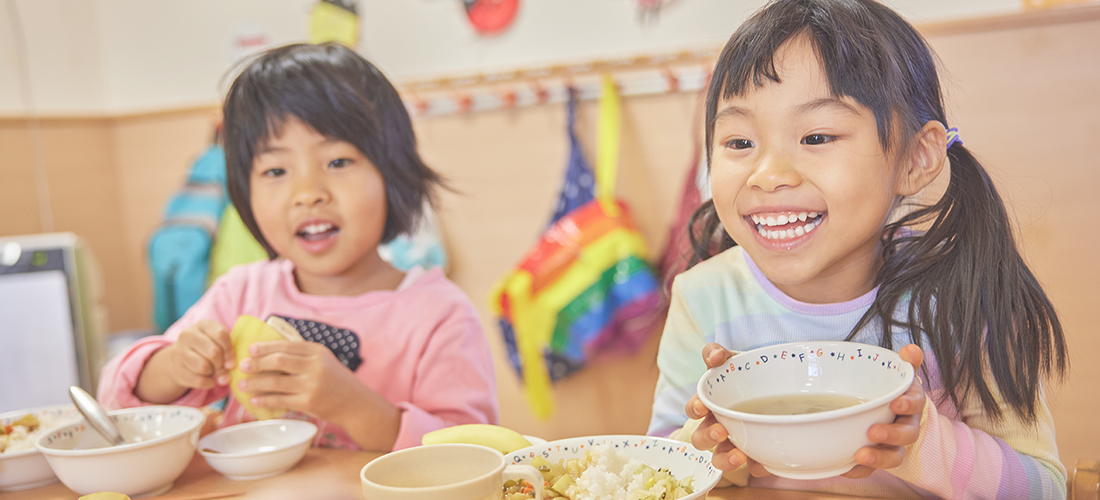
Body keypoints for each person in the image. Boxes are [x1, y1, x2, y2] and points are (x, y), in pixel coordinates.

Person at [647, 0, 1069, 498]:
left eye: (817, 135)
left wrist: (918, 441)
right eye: (739, 142)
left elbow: (1044, 487)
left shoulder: (965, 297)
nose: (769, 175)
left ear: (916, 157)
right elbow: (662, 468)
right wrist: (715, 446)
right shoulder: (703, 297)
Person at [99, 43, 498, 452]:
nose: (307, 193)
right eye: (275, 170)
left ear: (392, 173)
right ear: (244, 193)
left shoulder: (439, 315)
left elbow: (470, 456)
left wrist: (353, 405)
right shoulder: (242, 293)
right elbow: (117, 400)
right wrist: (175, 367)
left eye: (338, 162)